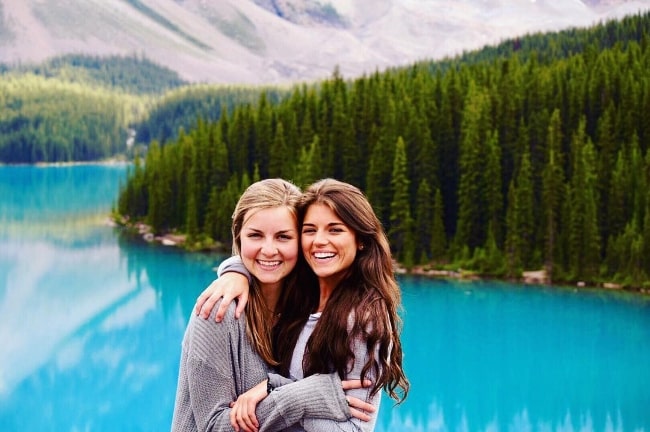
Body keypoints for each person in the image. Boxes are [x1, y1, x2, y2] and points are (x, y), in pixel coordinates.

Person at [196, 178, 410, 432]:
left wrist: (283, 393)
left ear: (361, 239)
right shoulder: (297, 298)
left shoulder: (363, 317)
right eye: (310, 230)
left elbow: (354, 429)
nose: (319, 241)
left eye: (335, 230)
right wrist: (235, 271)